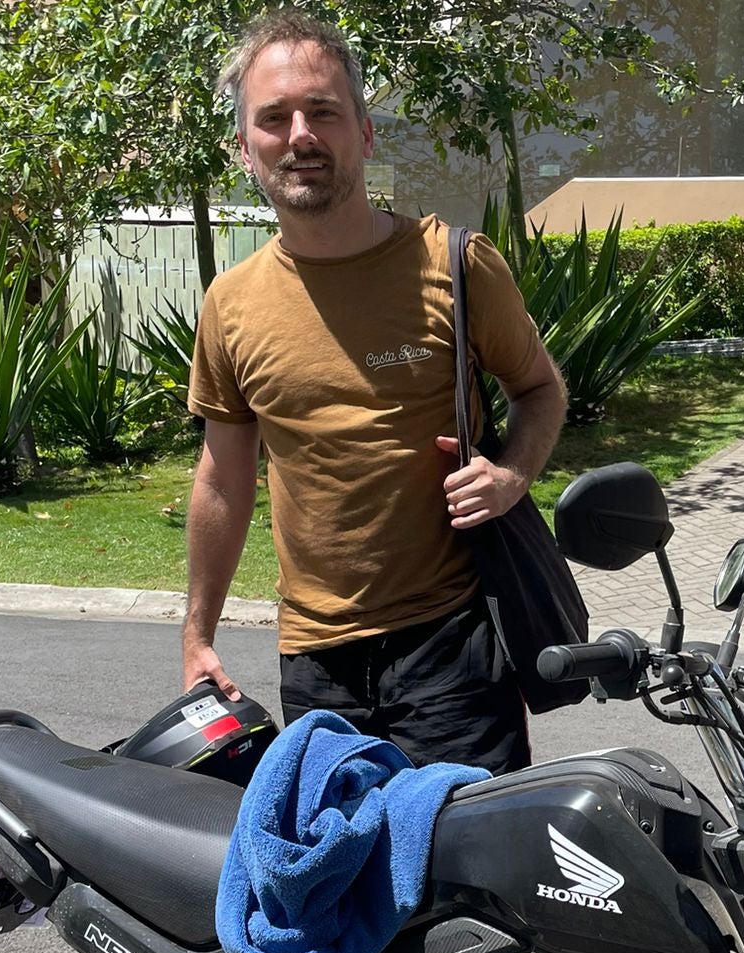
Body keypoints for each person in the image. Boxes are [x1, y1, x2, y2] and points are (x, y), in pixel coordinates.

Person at [183, 9, 567, 776]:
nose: (301, 135)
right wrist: (197, 635)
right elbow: (223, 477)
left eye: (322, 111)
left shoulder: (454, 264)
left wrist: (513, 475)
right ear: (245, 149)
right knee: (347, 880)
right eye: (275, 118)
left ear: (365, 131)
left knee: (472, 882)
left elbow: (539, 389)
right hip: (315, 666)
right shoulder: (231, 303)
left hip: (451, 648)